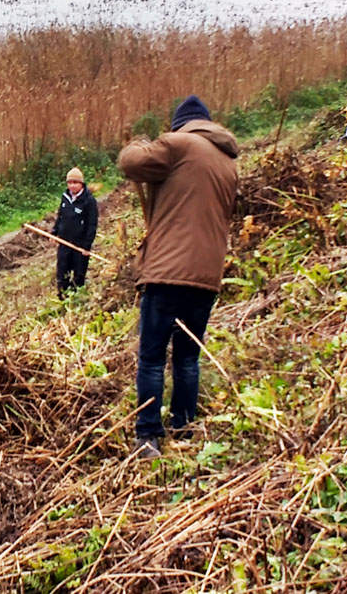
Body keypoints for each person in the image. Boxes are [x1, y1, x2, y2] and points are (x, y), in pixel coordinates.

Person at [117, 95, 238, 460]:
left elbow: (130, 162)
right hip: (207, 274)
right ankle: (184, 427)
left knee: (152, 358)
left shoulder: (179, 143)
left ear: (181, 123)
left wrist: (139, 142)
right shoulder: (228, 161)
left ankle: (149, 436)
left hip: (168, 271)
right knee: (187, 358)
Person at [51, 166, 98, 293]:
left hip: (80, 246)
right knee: (62, 274)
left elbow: (92, 225)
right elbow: (60, 216)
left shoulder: (89, 201)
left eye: (75, 183)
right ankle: (62, 298)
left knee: (79, 275)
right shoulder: (65, 197)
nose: (72, 186)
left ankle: (77, 298)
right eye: (70, 183)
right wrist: (54, 232)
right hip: (64, 242)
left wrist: (87, 246)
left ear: (81, 184)